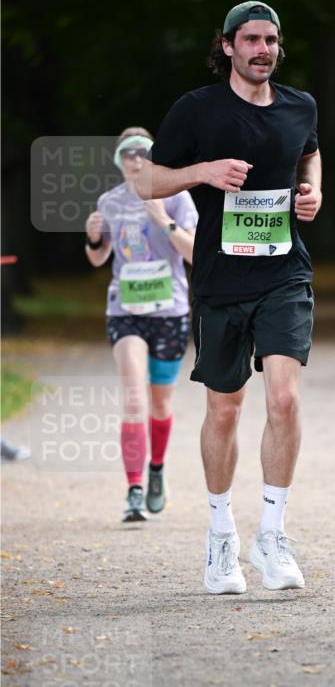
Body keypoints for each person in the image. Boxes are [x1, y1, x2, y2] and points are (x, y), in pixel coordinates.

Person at [136, 1, 322, 594]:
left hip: (284, 274)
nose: (262, 49)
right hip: (220, 281)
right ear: (227, 47)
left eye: (271, 40)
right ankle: (221, 537)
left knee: (285, 398)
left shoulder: (299, 106)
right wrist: (203, 172)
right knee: (224, 408)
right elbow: (147, 179)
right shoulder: (197, 109)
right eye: (250, 39)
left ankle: (272, 533)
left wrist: (311, 192)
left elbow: (310, 153)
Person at [85, 127, 198, 522]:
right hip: (125, 310)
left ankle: (156, 469)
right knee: (133, 397)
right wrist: (94, 238)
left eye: (142, 152)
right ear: (119, 161)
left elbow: (196, 254)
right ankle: (133, 489)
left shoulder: (178, 197)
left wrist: (164, 219)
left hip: (169, 312)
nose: (134, 159)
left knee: (160, 403)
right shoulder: (110, 202)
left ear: (152, 157)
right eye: (126, 153)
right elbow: (98, 259)